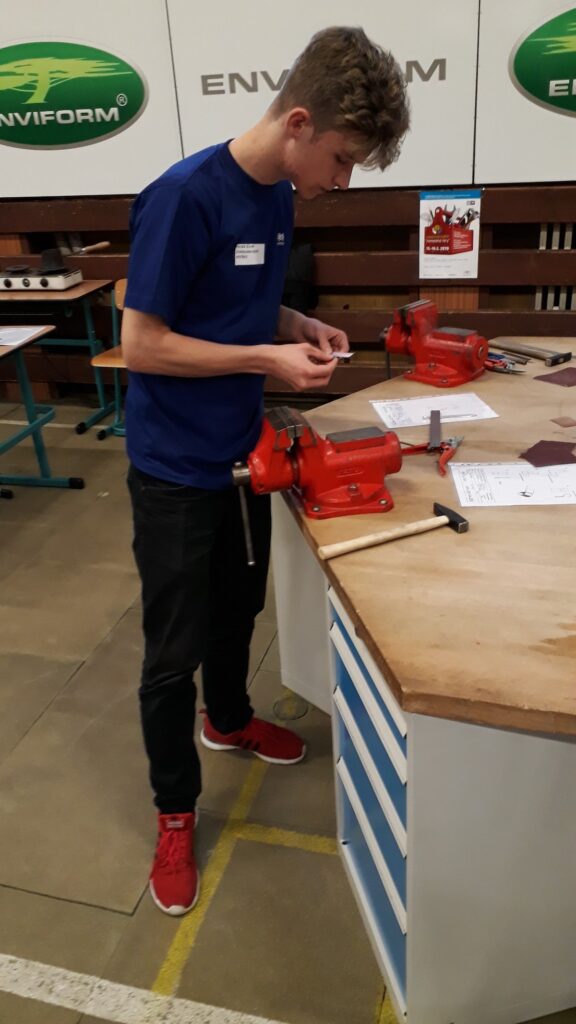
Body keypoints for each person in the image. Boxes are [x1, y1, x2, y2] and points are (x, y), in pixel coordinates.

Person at [122, 24, 409, 917]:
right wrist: (263, 360)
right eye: (342, 158)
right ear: (297, 122)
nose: (343, 179)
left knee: (239, 606)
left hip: (246, 456)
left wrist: (293, 326)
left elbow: (240, 297)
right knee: (171, 651)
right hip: (174, 467)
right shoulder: (183, 198)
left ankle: (228, 719)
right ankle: (175, 810)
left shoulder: (281, 194)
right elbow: (144, 344)